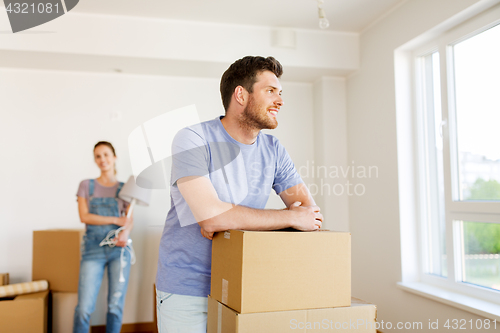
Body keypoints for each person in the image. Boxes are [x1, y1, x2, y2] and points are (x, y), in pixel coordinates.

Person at [155, 56, 322, 332]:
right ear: (241, 95)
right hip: (188, 288)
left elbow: (310, 216)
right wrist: (287, 216)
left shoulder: (274, 150)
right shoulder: (193, 139)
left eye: (280, 93)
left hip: (244, 284)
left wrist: (230, 216)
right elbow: (211, 218)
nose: (280, 101)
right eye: (270, 91)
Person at [73, 141, 134, 333]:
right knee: (84, 308)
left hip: (119, 251)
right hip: (93, 249)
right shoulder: (86, 185)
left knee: (115, 307)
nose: (102, 160)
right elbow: (84, 216)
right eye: (98, 156)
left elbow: (129, 219)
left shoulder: (125, 188)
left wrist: (125, 233)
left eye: (106, 155)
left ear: (114, 157)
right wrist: (116, 219)